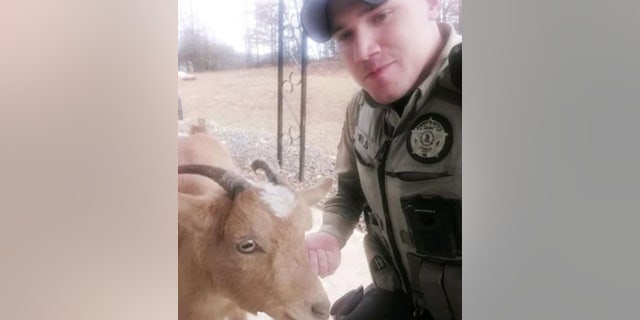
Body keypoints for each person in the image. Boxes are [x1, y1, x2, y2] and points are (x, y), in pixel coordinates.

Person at [300, 0, 461, 319]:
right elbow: (348, 189)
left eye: (381, 16)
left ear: (432, 4)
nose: (362, 52)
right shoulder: (361, 110)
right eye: (345, 36)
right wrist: (331, 233)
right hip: (398, 293)